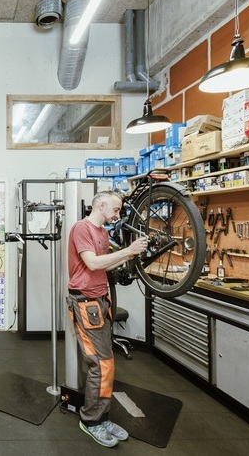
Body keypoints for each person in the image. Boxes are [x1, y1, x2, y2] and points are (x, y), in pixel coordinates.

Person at [66, 190, 147, 448]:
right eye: (115, 209)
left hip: (101, 301)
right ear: (101, 204)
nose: (118, 214)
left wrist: (128, 255)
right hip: (86, 302)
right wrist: (126, 251)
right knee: (100, 365)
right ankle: (91, 421)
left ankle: (102, 417)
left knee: (106, 363)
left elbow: (104, 265)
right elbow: (91, 263)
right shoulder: (82, 228)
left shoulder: (102, 232)